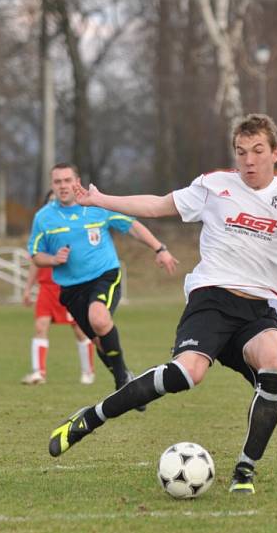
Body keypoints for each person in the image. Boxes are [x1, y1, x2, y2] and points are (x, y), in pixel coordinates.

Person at [47, 113, 277, 496]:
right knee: (186, 374)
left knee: (275, 363)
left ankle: (244, 472)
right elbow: (157, 205)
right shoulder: (214, 186)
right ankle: (90, 418)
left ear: (275, 152)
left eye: (257, 151)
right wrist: (101, 199)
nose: (249, 160)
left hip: (259, 311)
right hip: (212, 300)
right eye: (242, 152)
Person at [28, 163, 178, 394]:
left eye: (67, 180)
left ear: (76, 181)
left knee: (98, 317)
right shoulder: (44, 217)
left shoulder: (96, 205)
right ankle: (127, 378)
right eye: (57, 182)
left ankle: (121, 381)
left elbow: (133, 226)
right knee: (99, 341)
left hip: (104, 275)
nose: (63, 186)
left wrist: (160, 249)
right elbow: (36, 255)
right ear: (52, 185)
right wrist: (54, 259)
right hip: (70, 288)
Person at [21, 260, 96, 386]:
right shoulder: (41, 241)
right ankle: (39, 373)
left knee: (80, 330)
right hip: (46, 289)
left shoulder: (71, 241)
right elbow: (35, 261)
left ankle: (88, 371)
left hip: (69, 287)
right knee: (40, 327)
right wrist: (28, 288)